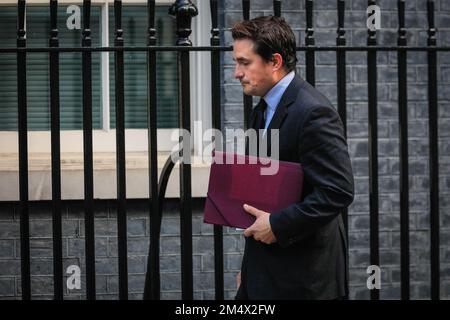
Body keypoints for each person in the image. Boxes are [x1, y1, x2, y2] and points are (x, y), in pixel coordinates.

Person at [231, 16, 355, 300]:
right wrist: (249, 270)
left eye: (244, 62)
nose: (236, 72)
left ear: (274, 62)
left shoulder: (313, 112)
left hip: (303, 280)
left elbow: (338, 190)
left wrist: (277, 225)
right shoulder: (261, 110)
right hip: (263, 272)